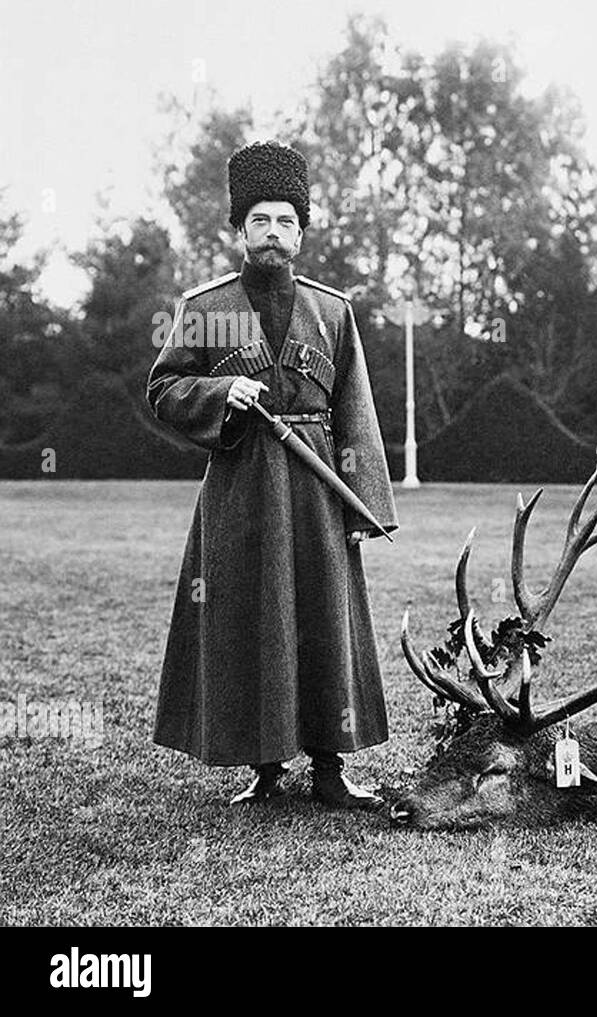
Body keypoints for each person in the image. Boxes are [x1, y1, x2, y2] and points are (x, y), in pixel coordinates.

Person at [146, 140, 398, 808]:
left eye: (286, 220)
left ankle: (331, 769)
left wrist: (367, 504)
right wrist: (216, 392)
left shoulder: (332, 310)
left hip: (317, 491)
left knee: (323, 619)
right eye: (260, 220)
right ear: (240, 228)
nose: (273, 233)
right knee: (249, 616)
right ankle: (263, 766)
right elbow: (165, 387)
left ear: (301, 231)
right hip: (241, 489)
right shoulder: (204, 306)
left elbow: (356, 409)